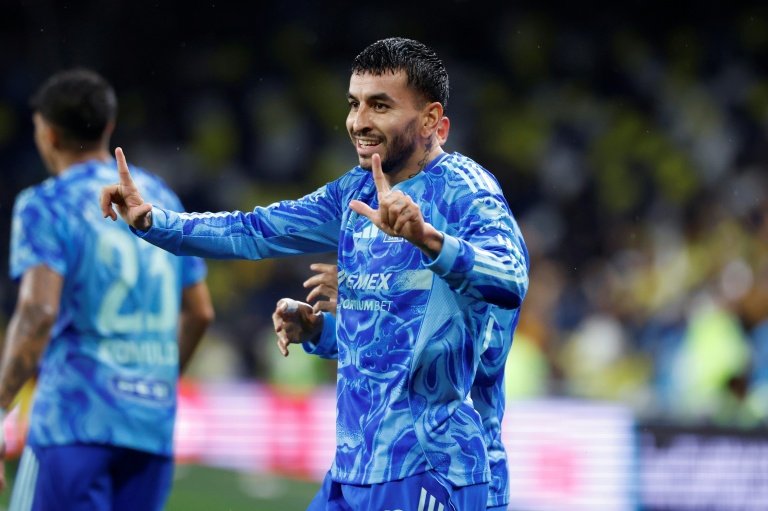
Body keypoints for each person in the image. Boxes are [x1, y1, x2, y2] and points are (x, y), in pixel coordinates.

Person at [102, 37, 529, 510]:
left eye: (380, 105)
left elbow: (511, 280)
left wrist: (429, 240)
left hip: (433, 467)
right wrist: (153, 221)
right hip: (355, 467)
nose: (359, 121)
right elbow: (255, 231)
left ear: (432, 121)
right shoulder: (355, 191)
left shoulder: (467, 191)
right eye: (353, 104)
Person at [0, 68, 214, 511]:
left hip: (75, 420)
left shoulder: (46, 204)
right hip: (150, 427)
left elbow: (39, 311)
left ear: (48, 134)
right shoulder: (160, 198)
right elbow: (200, 312)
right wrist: (152, 383)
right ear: (108, 127)